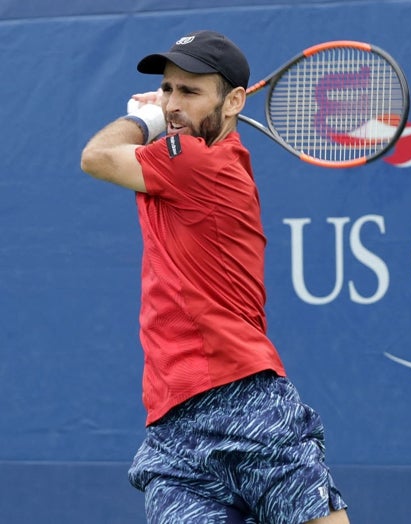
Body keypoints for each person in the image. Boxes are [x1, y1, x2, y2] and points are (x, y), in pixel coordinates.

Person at [80, 30, 349, 524]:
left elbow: (96, 156)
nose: (173, 103)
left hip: (245, 402)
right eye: (167, 89)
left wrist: (145, 119)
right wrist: (165, 117)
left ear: (234, 101)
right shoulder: (187, 157)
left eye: (190, 91)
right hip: (172, 425)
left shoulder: (197, 163)